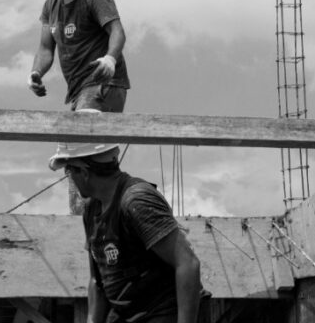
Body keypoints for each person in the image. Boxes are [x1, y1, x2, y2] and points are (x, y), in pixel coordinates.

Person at [48, 134, 204, 323]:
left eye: (68, 171)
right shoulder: (91, 209)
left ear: (84, 171)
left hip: (161, 312)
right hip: (127, 313)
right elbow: (97, 282)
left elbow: (187, 264)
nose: (69, 178)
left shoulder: (136, 201)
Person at [29, 0, 131, 112]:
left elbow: (117, 31)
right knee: (82, 139)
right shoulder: (50, 6)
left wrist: (110, 59)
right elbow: (45, 49)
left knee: (85, 138)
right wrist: (35, 73)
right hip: (79, 91)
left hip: (102, 84)